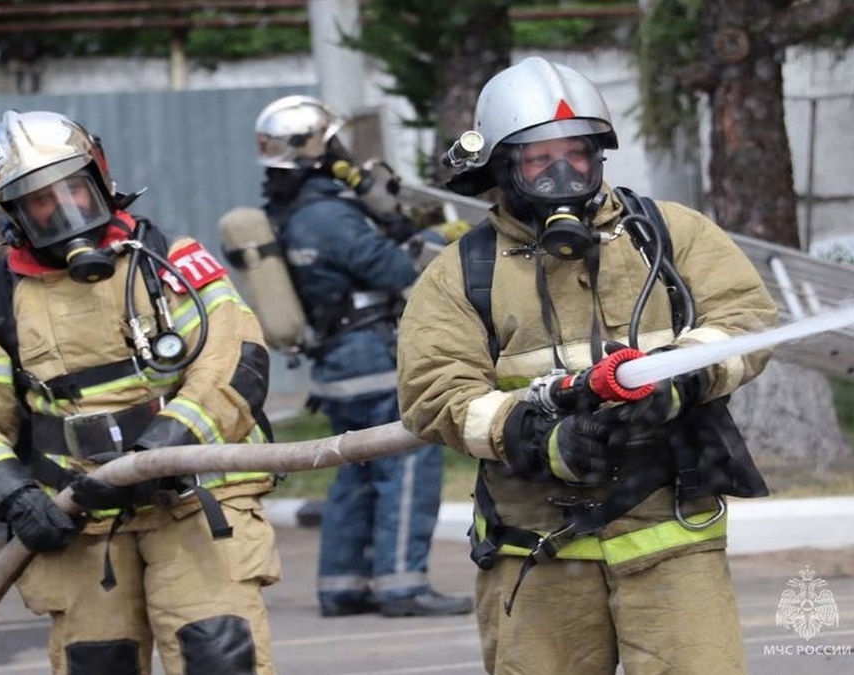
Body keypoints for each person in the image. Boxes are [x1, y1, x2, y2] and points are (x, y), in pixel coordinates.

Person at [396, 57, 780, 674]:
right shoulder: (460, 274)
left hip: (673, 532)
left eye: (576, 153)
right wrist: (541, 439)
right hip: (537, 549)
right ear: (501, 166)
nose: (561, 171)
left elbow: (747, 320)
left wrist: (683, 378)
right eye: (537, 157)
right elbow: (435, 393)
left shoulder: (668, 235)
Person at [0, 110, 281, 675]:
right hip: (78, 522)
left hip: (193, 503)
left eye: (73, 191)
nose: (62, 212)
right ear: (12, 214)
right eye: (40, 203)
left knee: (218, 655)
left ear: (100, 178)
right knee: (99, 664)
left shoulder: (166, 263)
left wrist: (168, 447)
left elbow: (236, 361)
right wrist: (15, 498)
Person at [253, 95, 473, 619]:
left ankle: (342, 585)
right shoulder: (327, 213)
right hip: (371, 361)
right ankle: (401, 586)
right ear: (316, 148)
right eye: (332, 141)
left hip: (339, 364)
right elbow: (395, 271)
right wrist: (435, 236)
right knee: (410, 461)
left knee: (357, 474)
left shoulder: (295, 211)